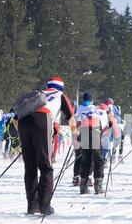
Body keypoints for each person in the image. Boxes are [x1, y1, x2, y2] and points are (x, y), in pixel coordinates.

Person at [17, 76, 74, 215]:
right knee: (45, 166)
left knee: (30, 166)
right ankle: (44, 205)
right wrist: (77, 135)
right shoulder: (60, 95)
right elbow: (71, 117)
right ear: (61, 88)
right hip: (42, 120)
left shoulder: (38, 93)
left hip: (24, 120)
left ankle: (32, 205)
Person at [76, 92, 107, 195]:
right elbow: (103, 116)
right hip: (94, 132)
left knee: (86, 160)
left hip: (84, 132)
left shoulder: (79, 109)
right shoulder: (95, 108)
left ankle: (83, 187)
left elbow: (76, 121)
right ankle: (98, 186)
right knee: (98, 160)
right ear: (92, 100)